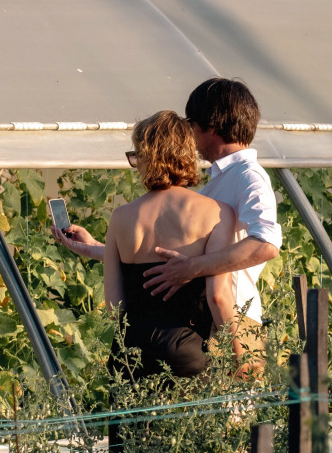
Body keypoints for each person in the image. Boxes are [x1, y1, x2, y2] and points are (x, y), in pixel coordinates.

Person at [53, 77, 280, 354]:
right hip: (209, 326)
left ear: (212, 126)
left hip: (234, 324)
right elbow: (169, 258)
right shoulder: (220, 180)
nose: (191, 136)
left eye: (192, 124)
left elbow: (265, 244)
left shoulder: (249, 177)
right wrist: (98, 249)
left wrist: (193, 268)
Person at [98, 111, 240, 380]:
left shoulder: (121, 218)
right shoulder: (216, 214)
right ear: (187, 153)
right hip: (187, 351)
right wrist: (240, 358)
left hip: (130, 355)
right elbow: (218, 297)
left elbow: (114, 305)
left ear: (148, 157)